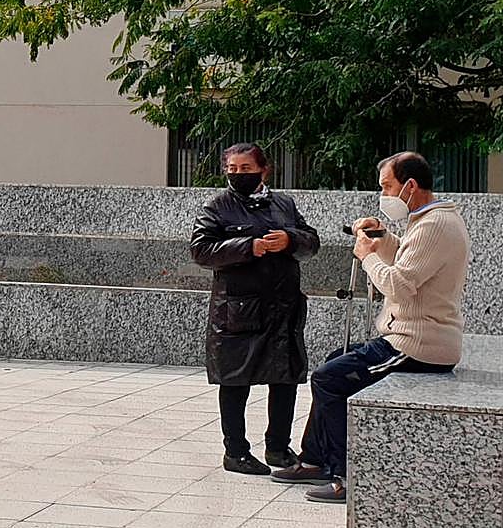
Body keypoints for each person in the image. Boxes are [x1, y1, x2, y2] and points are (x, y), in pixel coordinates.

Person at [272, 151, 469, 503]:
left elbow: (399, 285)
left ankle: (344, 476)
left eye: (387, 187)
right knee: (337, 359)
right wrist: (382, 238)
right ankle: (315, 458)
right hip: (411, 335)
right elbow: (410, 264)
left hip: (417, 344)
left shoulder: (434, 225)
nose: (384, 195)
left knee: (329, 378)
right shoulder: (427, 221)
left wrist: (368, 256)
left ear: (410, 185)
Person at [191, 142, 320, 476]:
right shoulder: (217, 206)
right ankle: (235, 451)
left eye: (245, 169)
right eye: (232, 170)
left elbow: (311, 241)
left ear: (264, 170)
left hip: (282, 307)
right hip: (238, 310)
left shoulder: (284, 204)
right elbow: (201, 250)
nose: (238, 176)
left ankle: (278, 447)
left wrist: (290, 240)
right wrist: (247, 246)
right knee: (234, 381)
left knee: (285, 378)